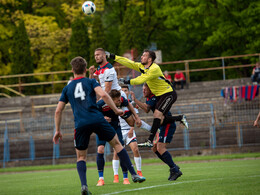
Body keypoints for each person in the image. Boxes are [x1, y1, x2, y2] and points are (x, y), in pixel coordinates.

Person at [53, 57, 145, 195]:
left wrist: (58, 130)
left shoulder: (67, 88)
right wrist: (116, 110)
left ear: (72, 70)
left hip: (80, 124)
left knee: (81, 157)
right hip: (97, 119)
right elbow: (104, 95)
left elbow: (58, 110)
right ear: (85, 70)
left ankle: (84, 186)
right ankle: (134, 174)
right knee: (117, 144)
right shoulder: (91, 81)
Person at [106, 49, 188, 147]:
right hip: (160, 95)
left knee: (157, 115)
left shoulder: (154, 68)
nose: (141, 57)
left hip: (168, 93)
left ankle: (149, 141)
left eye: (144, 55)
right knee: (160, 120)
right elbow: (129, 62)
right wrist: (113, 56)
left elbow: (142, 79)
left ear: (149, 59)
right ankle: (180, 117)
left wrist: (127, 81)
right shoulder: (143, 67)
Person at [130, 83, 182, 181]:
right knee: (154, 149)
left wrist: (135, 100)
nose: (143, 91)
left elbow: (146, 109)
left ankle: (174, 169)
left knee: (160, 147)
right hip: (162, 125)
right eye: (143, 89)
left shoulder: (154, 96)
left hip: (167, 125)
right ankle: (173, 167)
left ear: (151, 89)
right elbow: (146, 106)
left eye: (145, 89)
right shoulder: (149, 98)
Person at [96, 89, 142, 186]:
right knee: (100, 149)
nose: (120, 102)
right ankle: (101, 179)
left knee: (120, 150)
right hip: (102, 127)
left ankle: (125, 178)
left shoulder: (121, 99)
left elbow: (129, 104)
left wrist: (136, 117)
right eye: (117, 101)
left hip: (115, 127)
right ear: (111, 100)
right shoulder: (101, 103)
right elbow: (93, 113)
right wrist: (103, 118)